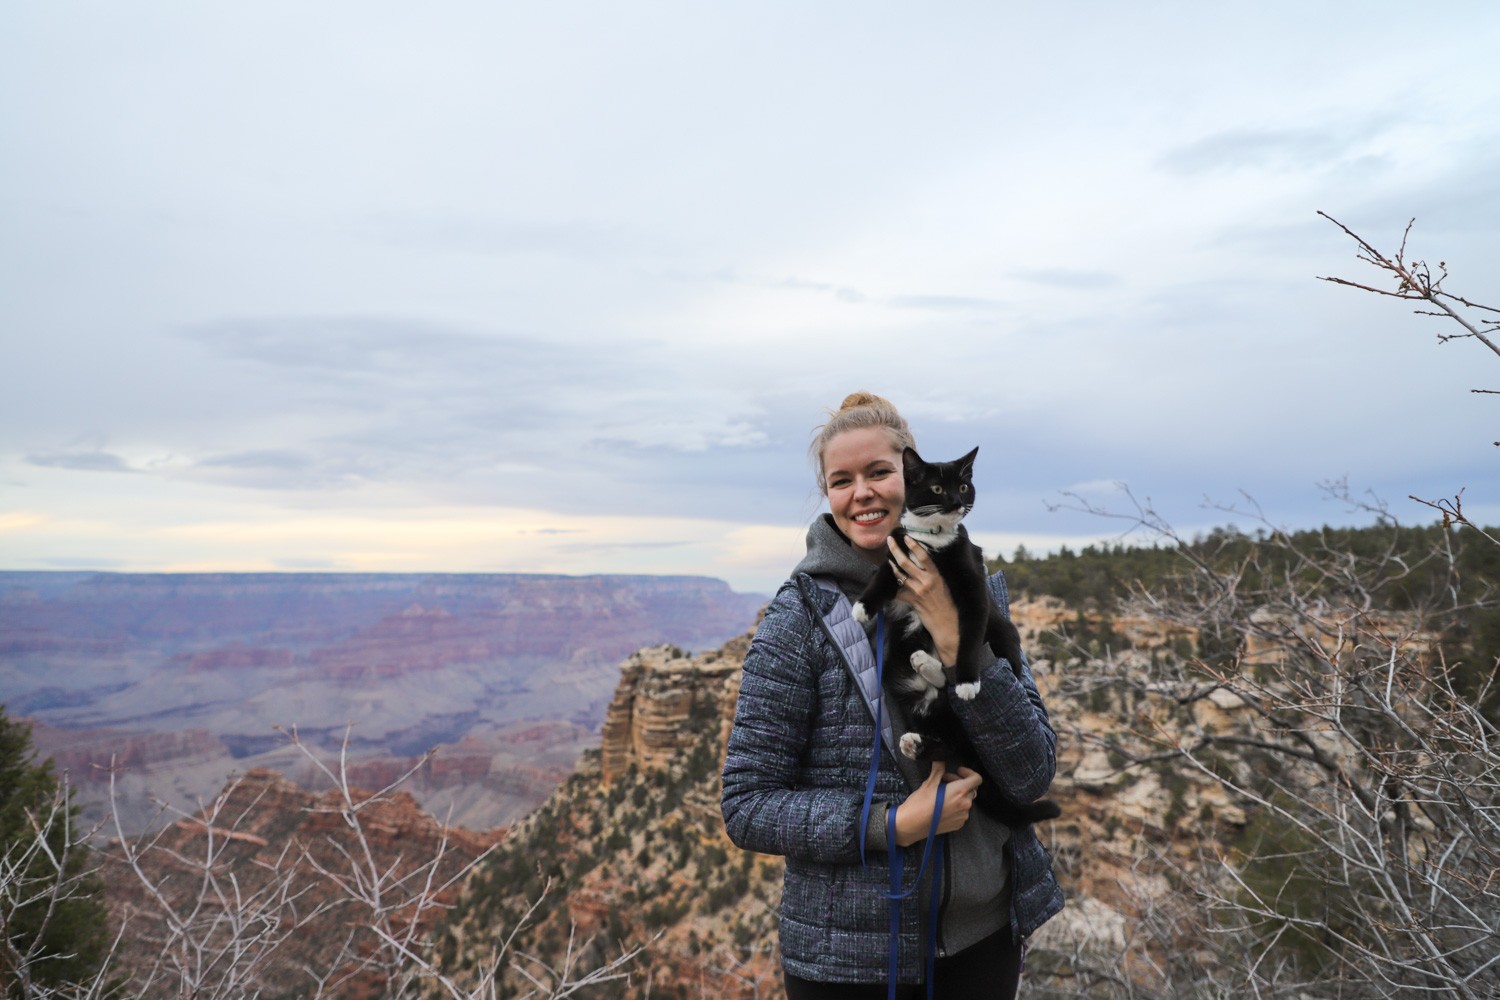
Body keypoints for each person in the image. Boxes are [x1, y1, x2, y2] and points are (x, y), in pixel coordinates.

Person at [721, 391, 1064, 1000]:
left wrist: (958, 632)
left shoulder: (979, 589)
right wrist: (892, 825)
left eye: (880, 472)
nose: (864, 493)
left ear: (911, 475)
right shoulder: (799, 618)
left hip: (984, 940)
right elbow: (747, 806)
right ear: (827, 494)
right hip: (852, 961)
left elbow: (1031, 770)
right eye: (842, 480)